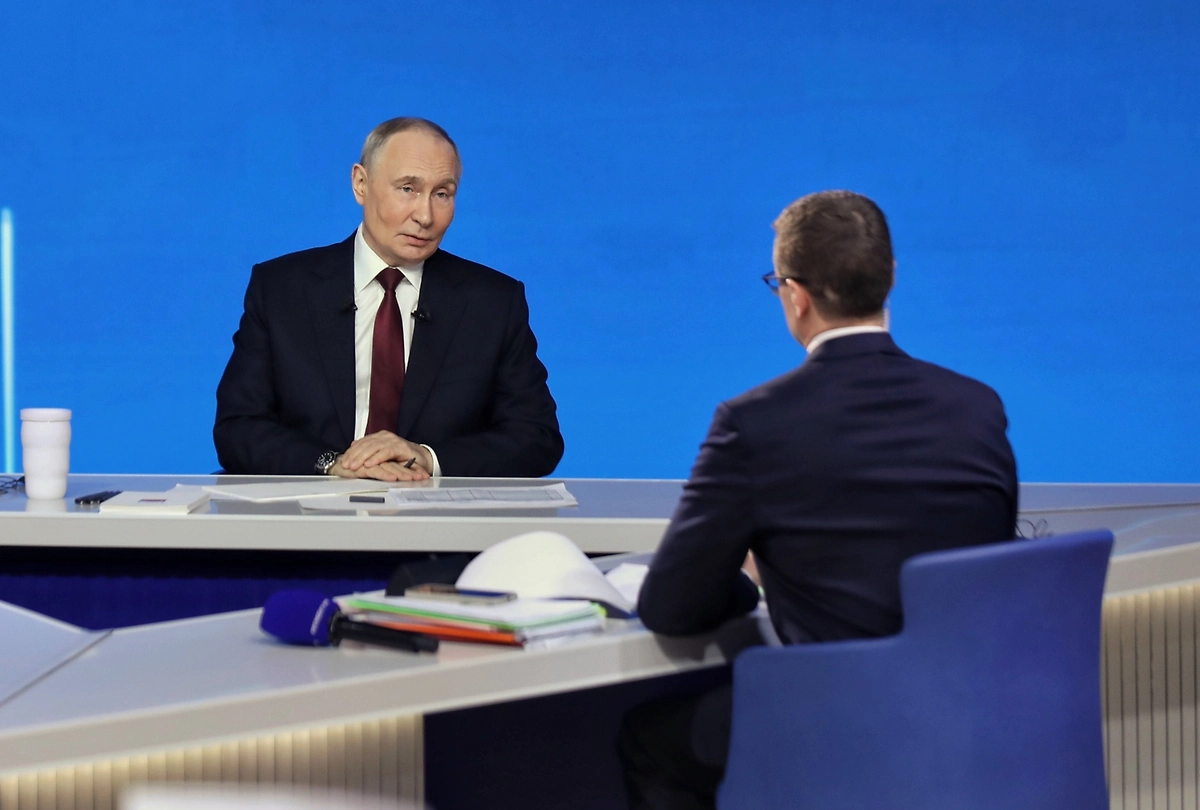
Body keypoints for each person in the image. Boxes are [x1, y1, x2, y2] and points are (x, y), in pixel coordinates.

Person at [619, 190, 1018, 809]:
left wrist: (747, 578)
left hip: (843, 733)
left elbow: (671, 607)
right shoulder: (977, 407)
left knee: (650, 737)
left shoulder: (753, 423)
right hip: (978, 721)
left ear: (795, 295)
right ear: (889, 278)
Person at [214, 117, 564, 480]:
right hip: (309, 506)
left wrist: (427, 458)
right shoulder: (282, 289)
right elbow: (238, 427)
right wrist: (333, 465)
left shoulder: (492, 303)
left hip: (434, 509)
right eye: (408, 189)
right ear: (361, 184)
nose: (425, 216)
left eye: (442, 194)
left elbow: (536, 437)